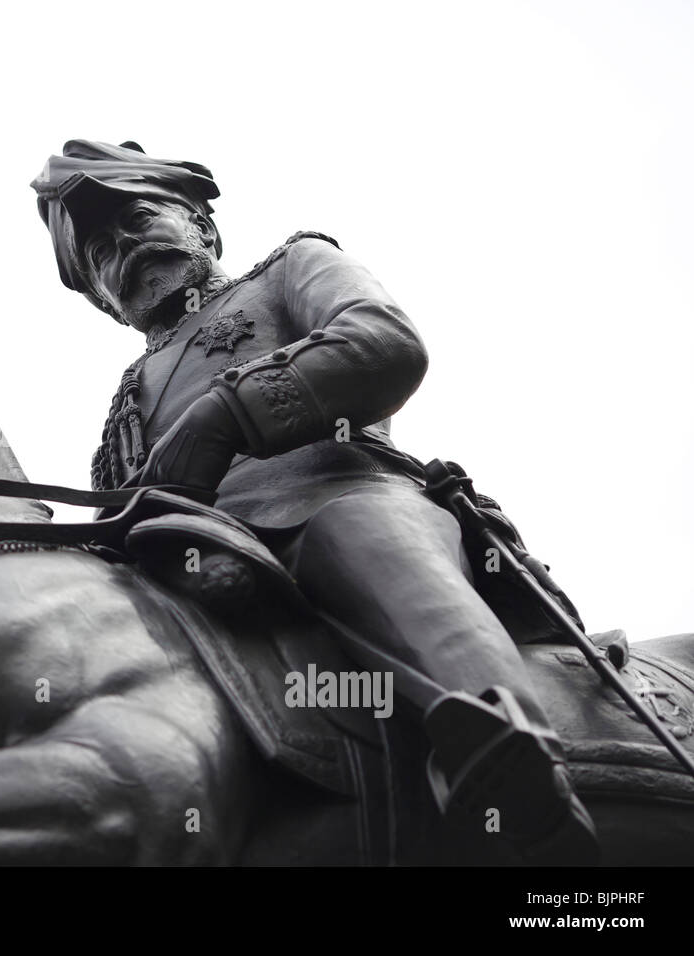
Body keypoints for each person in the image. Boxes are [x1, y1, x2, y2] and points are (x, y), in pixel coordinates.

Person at [30, 138, 597, 864]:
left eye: (139, 218)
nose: (126, 248)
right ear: (107, 302)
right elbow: (120, 516)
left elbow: (384, 341)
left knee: (357, 534)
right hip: (199, 568)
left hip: (334, 491)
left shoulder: (293, 267)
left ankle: (507, 750)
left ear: (202, 225)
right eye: (104, 252)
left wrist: (225, 414)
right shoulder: (124, 411)